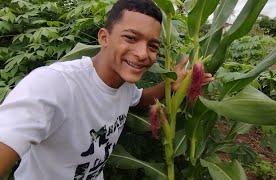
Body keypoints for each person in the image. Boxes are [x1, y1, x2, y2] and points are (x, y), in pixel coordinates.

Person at [0, 0, 213, 179]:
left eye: (153, 46)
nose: (142, 53)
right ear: (104, 37)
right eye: (130, 38)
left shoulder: (124, 85)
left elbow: (140, 99)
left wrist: (172, 85)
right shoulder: (54, 84)